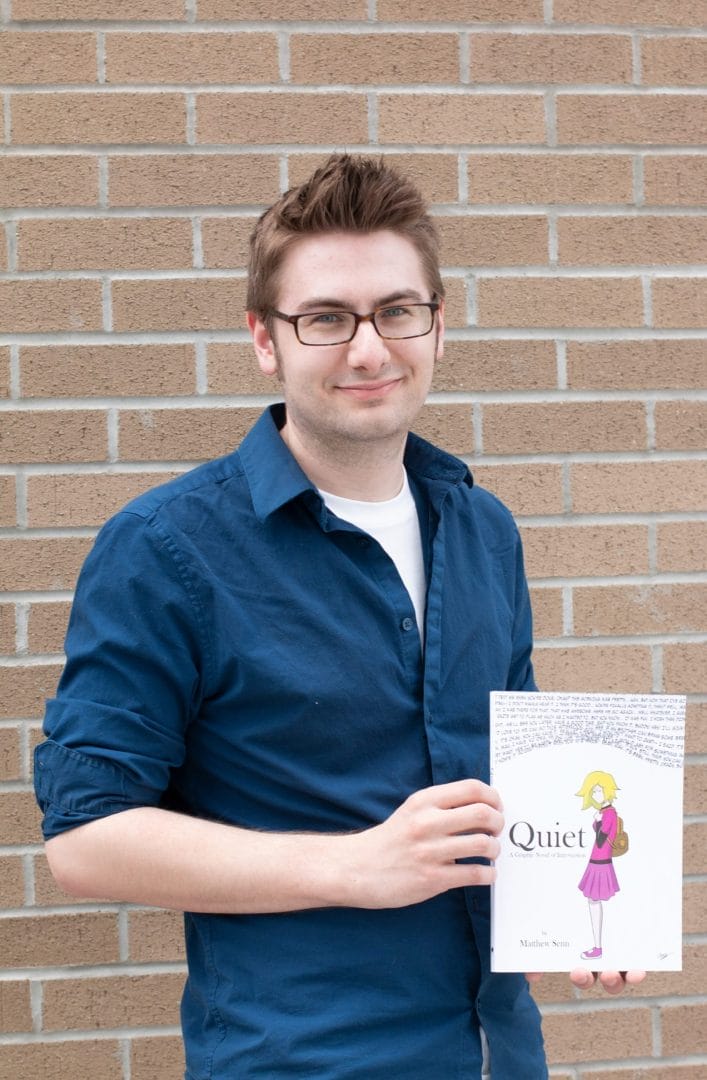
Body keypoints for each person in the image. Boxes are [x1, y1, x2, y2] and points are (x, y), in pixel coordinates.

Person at [34, 155, 643, 1080]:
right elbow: (85, 841)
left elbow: (510, 782)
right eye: (326, 318)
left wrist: (583, 905)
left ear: (439, 326)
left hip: (497, 1051)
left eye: (397, 310)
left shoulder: (481, 529)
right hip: (308, 1059)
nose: (369, 349)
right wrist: (354, 867)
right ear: (263, 339)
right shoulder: (164, 550)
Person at [576, 770, 622, 960]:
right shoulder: (605, 812)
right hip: (598, 861)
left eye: (599, 790)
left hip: (600, 862)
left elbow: (602, 840)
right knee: (593, 901)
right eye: (593, 791)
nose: (596, 795)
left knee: (594, 902)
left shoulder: (609, 813)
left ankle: (598, 948)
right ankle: (598, 946)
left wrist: (598, 822)